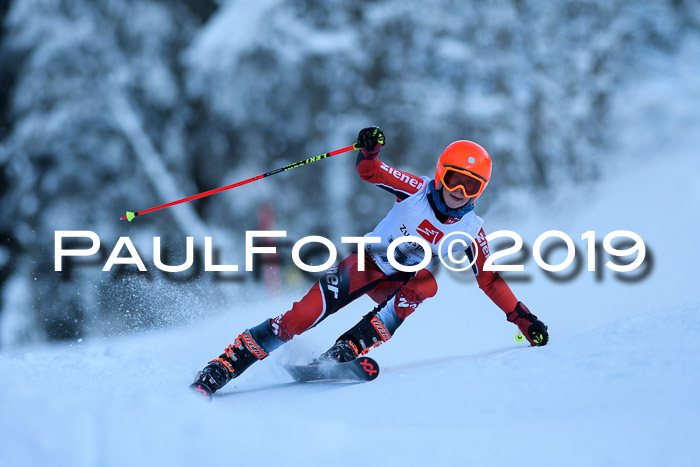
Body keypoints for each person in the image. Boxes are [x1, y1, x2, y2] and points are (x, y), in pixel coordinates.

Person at [191, 126, 549, 393]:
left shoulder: (472, 230)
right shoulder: (415, 190)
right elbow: (370, 172)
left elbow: (489, 280)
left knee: (426, 284)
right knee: (299, 318)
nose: (458, 192)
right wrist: (370, 152)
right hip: (364, 266)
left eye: (470, 186)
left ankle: (349, 347)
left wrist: (523, 320)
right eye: (454, 180)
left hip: (398, 283)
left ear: (480, 191)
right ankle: (223, 367)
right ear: (441, 174)